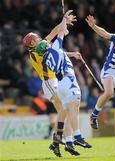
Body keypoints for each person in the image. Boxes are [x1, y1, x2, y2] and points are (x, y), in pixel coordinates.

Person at [23, 10, 91, 157]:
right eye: (37, 38)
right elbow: (55, 37)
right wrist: (63, 21)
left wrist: (71, 52)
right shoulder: (35, 52)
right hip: (49, 82)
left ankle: (62, 141)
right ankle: (64, 140)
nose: (40, 38)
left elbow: (55, 44)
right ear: (33, 42)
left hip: (56, 80)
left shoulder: (39, 47)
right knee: (65, 108)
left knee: (65, 110)